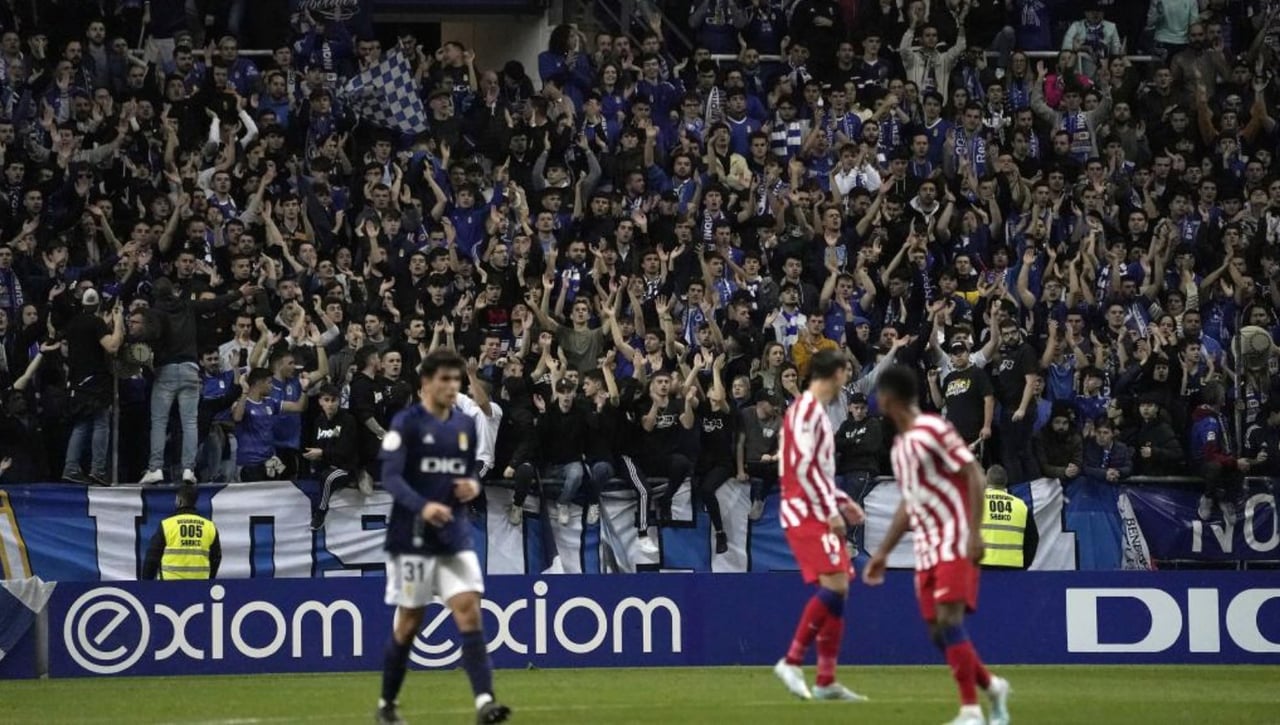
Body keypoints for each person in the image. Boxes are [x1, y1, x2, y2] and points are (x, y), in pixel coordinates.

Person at [865, 365, 1011, 725]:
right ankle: (992, 686)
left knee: (948, 619)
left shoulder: (934, 429)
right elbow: (909, 504)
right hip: (926, 547)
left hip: (955, 537)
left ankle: (970, 710)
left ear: (888, 398)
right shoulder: (900, 448)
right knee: (936, 631)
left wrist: (974, 532)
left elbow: (974, 474)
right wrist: (882, 552)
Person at [375, 349, 511, 725]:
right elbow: (390, 478)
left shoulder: (465, 427)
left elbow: (465, 474)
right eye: (445, 380)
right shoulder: (405, 424)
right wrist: (423, 506)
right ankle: (387, 704)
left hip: (453, 536)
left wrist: (470, 486)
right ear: (426, 384)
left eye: (456, 380)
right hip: (412, 540)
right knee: (409, 623)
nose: (452, 387)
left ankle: (485, 701)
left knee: (469, 611)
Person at [771, 348, 867, 703]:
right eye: (846, 372)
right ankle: (792, 660)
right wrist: (830, 510)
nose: (847, 378)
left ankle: (826, 679)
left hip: (815, 506)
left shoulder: (816, 412)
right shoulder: (806, 411)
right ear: (837, 374)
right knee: (836, 584)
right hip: (804, 510)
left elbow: (818, 471)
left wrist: (842, 501)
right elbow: (803, 468)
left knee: (840, 589)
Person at [140, 276, 257, 485]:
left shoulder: (155, 311)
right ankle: (188, 470)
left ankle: (155, 468)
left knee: (159, 421)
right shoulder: (186, 305)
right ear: (173, 291)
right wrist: (240, 293)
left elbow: (151, 335)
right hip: (190, 369)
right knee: (190, 422)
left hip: (166, 369)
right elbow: (214, 303)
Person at [62, 288, 123, 485]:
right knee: (101, 423)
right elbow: (112, 346)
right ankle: (98, 469)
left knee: (81, 424)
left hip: (77, 382)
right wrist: (118, 322)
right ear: (98, 305)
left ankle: (71, 467)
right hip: (95, 383)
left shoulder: (73, 323)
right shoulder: (96, 323)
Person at [303, 384, 362, 530]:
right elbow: (317, 446)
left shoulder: (348, 420)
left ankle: (321, 512)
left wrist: (322, 453)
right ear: (320, 401)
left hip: (346, 467)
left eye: (333, 400)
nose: (330, 404)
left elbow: (345, 451)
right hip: (326, 464)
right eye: (326, 400)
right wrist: (315, 456)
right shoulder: (319, 421)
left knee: (328, 478)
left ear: (339, 401)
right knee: (314, 475)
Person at [141, 484, 221, 580]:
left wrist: (146, 583)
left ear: (179, 501)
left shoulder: (167, 525)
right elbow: (216, 559)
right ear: (194, 502)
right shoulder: (209, 526)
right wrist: (209, 580)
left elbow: (152, 558)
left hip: (169, 584)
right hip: (200, 584)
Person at [977, 464, 1039, 569]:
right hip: (1013, 566)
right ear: (1006, 481)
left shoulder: (975, 502)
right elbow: (1032, 539)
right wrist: (1024, 564)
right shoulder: (1020, 506)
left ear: (986, 480)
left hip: (982, 565)